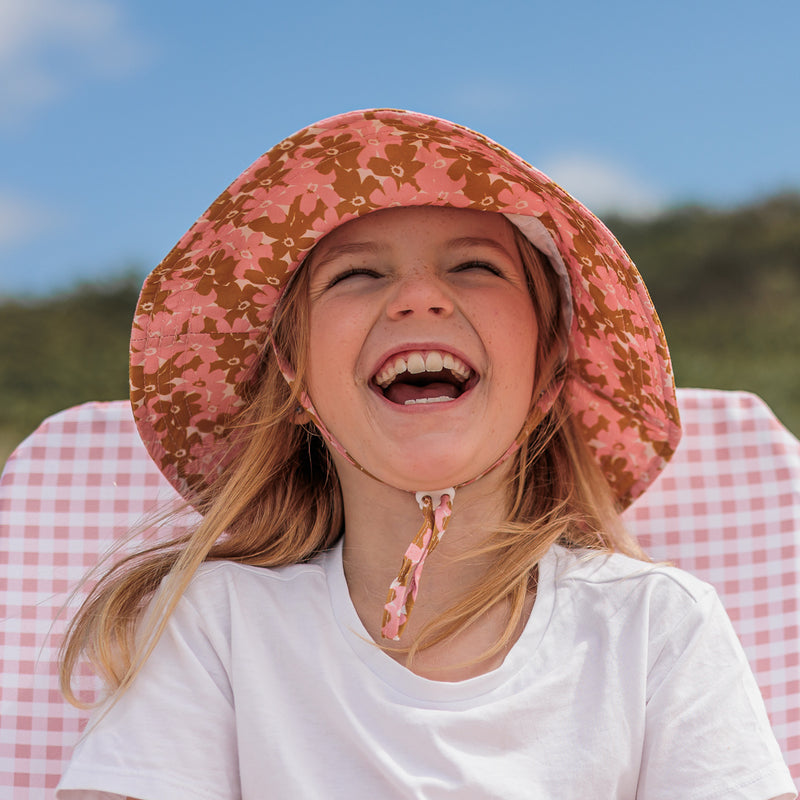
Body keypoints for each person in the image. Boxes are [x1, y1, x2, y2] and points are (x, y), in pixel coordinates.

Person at [56, 109, 796, 799]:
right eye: (356, 274)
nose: (418, 298)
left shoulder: (653, 625)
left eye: (475, 266)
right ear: (293, 366)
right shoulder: (219, 622)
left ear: (548, 356)